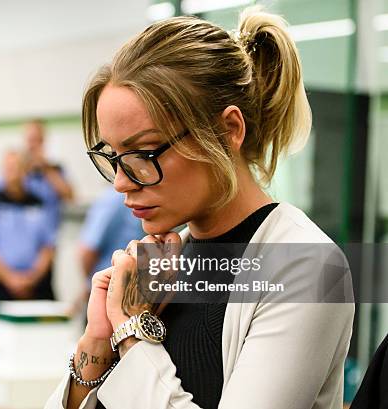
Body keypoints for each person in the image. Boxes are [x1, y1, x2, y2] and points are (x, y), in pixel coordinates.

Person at [46, 6, 354, 409]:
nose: (121, 180)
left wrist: (133, 332)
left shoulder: (308, 268)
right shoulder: (168, 265)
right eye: (113, 156)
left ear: (228, 131)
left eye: (143, 152)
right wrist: (99, 340)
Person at [0, 150, 56, 309]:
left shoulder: (39, 204)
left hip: (36, 287)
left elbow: (48, 247)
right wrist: (10, 279)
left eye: (18, 168)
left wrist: (31, 279)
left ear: (26, 171)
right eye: (9, 168)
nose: (13, 174)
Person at [72, 188, 144, 316]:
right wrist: (90, 286)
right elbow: (88, 250)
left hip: (140, 295)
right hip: (111, 293)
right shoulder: (114, 199)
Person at [22, 119, 74, 231]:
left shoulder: (55, 169)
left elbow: (70, 196)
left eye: (37, 140)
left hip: (50, 238)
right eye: (30, 140)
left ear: (44, 141)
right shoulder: (16, 170)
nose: (33, 145)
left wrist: (46, 169)